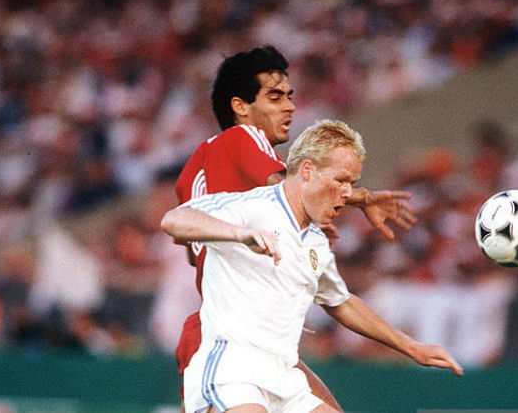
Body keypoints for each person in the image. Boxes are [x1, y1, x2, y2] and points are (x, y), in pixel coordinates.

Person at [173, 45, 417, 409]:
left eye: (289, 96)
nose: (289, 107)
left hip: (211, 331)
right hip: (238, 341)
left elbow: (199, 258)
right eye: (275, 97)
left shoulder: (192, 172)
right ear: (241, 107)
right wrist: (360, 198)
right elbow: (289, 187)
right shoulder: (244, 137)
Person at [162, 119, 463, 413]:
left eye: (352, 183)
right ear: (307, 171)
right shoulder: (251, 206)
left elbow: (340, 302)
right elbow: (175, 219)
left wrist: (412, 347)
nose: (348, 193)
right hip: (232, 368)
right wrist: (238, 233)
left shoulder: (315, 241)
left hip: (283, 377)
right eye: (341, 180)